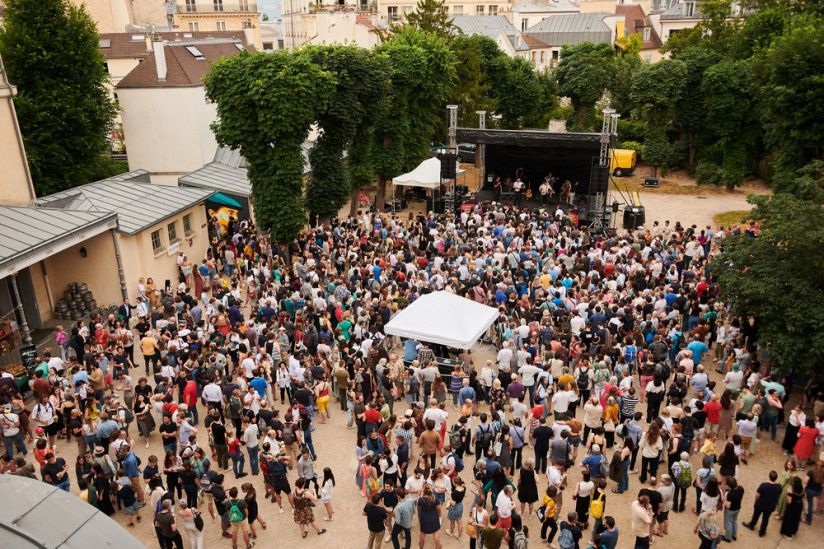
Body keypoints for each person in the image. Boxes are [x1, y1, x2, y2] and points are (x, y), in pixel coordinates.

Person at [742, 470, 782, 537]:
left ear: (769, 477)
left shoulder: (763, 485)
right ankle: (762, 532)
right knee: (765, 519)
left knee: (756, 515)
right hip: (770, 506)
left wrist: (756, 500)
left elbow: (757, 495)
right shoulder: (779, 487)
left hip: (760, 505)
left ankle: (752, 525)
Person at [417, 484, 442, 548]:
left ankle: (421, 545)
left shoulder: (421, 499)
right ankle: (437, 546)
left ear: (424, 491)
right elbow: (439, 508)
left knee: (423, 532)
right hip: (433, 516)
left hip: (424, 517)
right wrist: (439, 515)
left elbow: (418, 506)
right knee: (435, 532)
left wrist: (418, 495)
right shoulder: (435, 499)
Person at [721, 476, 744, 542]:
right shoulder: (741, 488)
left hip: (730, 510)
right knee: (734, 521)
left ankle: (727, 537)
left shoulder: (730, 494)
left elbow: (728, 506)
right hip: (737, 508)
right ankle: (734, 535)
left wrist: (726, 497)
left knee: (728, 523)